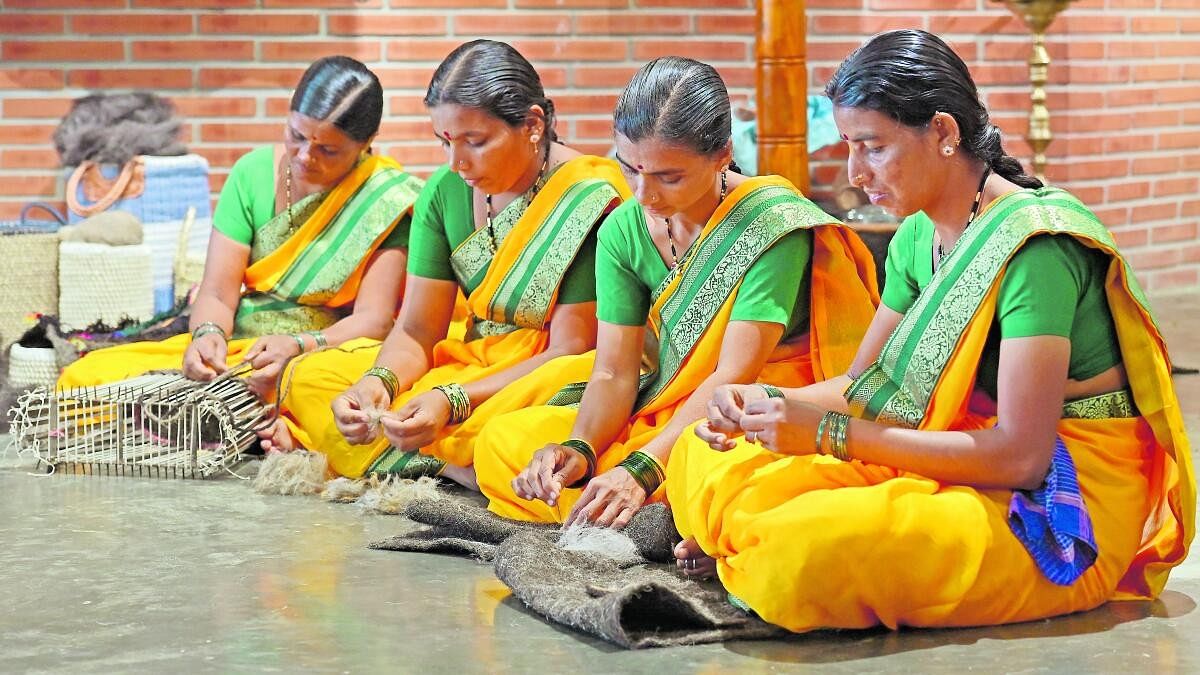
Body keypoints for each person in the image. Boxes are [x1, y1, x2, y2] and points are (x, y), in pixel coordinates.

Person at [667, 30, 1194, 632]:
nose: (855, 173)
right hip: (954, 443)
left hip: (1055, 491)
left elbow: (1022, 457)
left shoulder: (1035, 251)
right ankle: (745, 550)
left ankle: (749, 553)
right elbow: (869, 383)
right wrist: (762, 404)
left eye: (872, 147)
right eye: (848, 146)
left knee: (796, 552)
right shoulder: (919, 233)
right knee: (702, 457)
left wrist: (831, 435)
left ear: (943, 132)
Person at [471, 56, 879, 526]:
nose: (644, 193)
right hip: (664, 397)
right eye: (629, 169)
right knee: (506, 442)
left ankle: (645, 508)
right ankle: (645, 515)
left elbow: (733, 374)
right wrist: (579, 450)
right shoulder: (624, 229)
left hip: (752, 407)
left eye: (669, 176)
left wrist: (641, 469)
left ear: (722, 154)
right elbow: (613, 372)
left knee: (720, 475)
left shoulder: (771, 225)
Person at [277, 40, 630, 488]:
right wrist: (377, 385)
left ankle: (444, 459)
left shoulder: (588, 199)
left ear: (533, 125)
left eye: (475, 141)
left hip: (540, 378)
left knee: (524, 428)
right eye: (445, 140)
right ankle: (455, 465)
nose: (456, 162)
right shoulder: (444, 192)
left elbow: (571, 348)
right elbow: (418, 329)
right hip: (469, 365)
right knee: (313, 377)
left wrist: (454, 399)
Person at [57, 56, 423, 450]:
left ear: (365, 145)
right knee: (88, 377)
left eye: (328, 150)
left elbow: (374, 321)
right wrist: (207, 336)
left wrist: (299, 345)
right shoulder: (251, 175)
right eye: (296, 135)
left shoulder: (385, 199)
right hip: (243, 348)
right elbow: (216, 293)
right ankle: (260, 423)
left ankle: (272, 423)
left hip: (325, 350)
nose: (304, 156)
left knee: (326, 392)